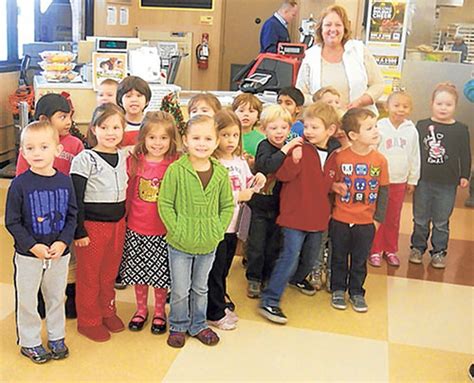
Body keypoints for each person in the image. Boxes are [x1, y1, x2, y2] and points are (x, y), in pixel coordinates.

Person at [259, 102, 343, 324]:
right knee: (290, 256)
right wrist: (293, 160)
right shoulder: (299, 148)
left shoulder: (335, 154)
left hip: (318, 217)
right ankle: (270, 299)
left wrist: (335, 187)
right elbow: (282, 176)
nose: (308, 131)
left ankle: (296, 279)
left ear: (331, 130)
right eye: (306, 126)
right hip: (294, 216)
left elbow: (324, 181)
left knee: (309, 258)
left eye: (315, 127)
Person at [158, 115, 234, 348]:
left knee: (201, 288)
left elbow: (228, 205)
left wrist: (217, 231)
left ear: (216, 141)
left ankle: (199, 324)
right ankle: (179, 325)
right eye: (196, 138)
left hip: (208, 244)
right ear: (186, 140)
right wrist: (178, 229)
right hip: (179, 245)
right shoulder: (176, 170)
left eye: (208, 138)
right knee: (180, 290)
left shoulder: (220, 173)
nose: (202, 143)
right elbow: (165, 204)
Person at [5, 121, 77, 363]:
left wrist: (63, 242)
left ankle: (57, 336)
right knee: (27, 299)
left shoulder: (65, 181)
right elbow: (12, 222)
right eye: (30, 148)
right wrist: (32, 246)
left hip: (59, 254)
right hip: (28, 256)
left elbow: (72, 216)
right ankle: (30, 341)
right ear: (23, 152)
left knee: (56, 296)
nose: (37, 153)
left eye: (44, 147)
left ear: (57, 150)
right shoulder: (19, 185)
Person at [16, 93, 84, 320]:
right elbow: (20, 177)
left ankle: (71, 295)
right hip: (35, 208)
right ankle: (40, 298)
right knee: (36, 258)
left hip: (63, 206)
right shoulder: (30, 145)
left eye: (69, 116)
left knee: (67, 257)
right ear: (45, 119)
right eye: (62, 116)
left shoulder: (74, 144)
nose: (68, 122)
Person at [70, 104, 128, 342]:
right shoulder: (85, 158)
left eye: (116, 127)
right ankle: (89, 320)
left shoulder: (124, 155)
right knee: (89, 275)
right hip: (92, 227)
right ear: (94, 129)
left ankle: (107, 311)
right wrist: (79, 230)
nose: (110, 132)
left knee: (109, 274)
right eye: (104, 127)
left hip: (118, 225)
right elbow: (76, 197)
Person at [119, 111, 179, 335]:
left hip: (163, 230)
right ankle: (141, 309)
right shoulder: (134, 161)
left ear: (171, 140)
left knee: (160, 275)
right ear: (143, 138)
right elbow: (127, 191)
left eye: (163, 138)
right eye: (152, 137)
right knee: (139, 272)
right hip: (136, 227)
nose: (157, 143)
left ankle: (159, 311)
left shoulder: (175, 163)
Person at [207, 110, 266, 331]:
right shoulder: (212, 163)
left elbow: (247, 183)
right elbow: (211, 195)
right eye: (225, 135)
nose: (231, 140)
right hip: (218, 225)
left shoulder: (240, 160)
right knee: (215, 268)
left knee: (224, 269)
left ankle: (219, 301)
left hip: (234, 225)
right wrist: (237, 196)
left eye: (234, 135)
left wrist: (257, 179)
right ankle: (214, 311)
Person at [330, 108, 389, 313]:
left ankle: (356, 291)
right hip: (340, 218)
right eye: (369, 128)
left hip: (366, 221)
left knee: (359, 259)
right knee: (338, 256)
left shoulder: (380, 160)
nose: (375, 131)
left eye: (376, 126)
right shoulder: (339, 158)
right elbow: (330, 184)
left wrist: (378, 219)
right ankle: (337, 288)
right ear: (353, 135)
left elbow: (384, 191)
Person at [409, 82, 471, 269]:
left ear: (455, 106)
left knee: (441, 221)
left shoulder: (461, 129)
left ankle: (439, 252)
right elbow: (414, 151)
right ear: (432, 103)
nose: (443, 108)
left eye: (448, 104)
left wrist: (464, 175)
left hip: (447, 183)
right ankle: (417, 248)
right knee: (420, 218)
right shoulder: (422, 125)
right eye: (439, 104)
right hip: (423, 180)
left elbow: (465, 154)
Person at [245, 105, 302, 298]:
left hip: (280, 207)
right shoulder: (264, 146)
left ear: (289, 129)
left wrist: (292, 150)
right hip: (260, 205)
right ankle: (254, 278)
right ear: (264, 129)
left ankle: (268, 276)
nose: (279, 132)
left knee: (274, 245)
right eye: (273, 128)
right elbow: (266, 165)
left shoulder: (294, 147)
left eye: (283, 128)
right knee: (257, 244)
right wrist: (286, 149)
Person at [296, 5, 384, 114]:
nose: (333, 29)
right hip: (324, 123)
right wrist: (322, 104)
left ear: (344, 28)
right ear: (321, 29)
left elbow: (378, 84)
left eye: (338, 25)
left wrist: (360, 102)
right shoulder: (310, 56)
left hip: (359, 120)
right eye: (328, 25)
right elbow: (301, 93)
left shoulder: (359, 50)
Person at [369, 91, 420, 267]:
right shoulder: (379, 126)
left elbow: (415, 155)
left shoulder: (411, 130)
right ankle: (375, 249)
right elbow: (372, 151)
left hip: (400, 181)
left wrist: (413, 179)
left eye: (405, 107)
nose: (400, 110)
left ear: (410, 109)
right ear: (386, 107)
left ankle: (390, 249)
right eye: (396, 105)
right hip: (380, 181)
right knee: (378, 216)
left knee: (393, 218)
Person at [116, 75, 152, 148]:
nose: (134, 100)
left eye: (139, 96)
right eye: (128, 96)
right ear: (120, 102)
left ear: (147, 101)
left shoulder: (152, 124)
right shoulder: (116, 124)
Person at [232, 93, 265, 162]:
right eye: (241, 111)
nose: (246, 114)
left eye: (251, 111)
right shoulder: (228, 136)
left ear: (258, 116)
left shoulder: (262, 139)